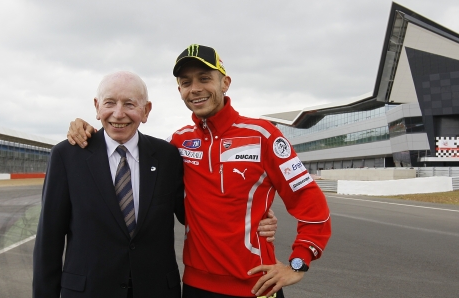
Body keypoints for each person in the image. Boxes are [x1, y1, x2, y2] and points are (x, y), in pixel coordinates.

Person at [68, 44, 331, 298]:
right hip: (195, 286)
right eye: (186, 82)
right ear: (179, 89)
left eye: (204, 78)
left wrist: (298, 263)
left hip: (255, 286)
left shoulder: (263, 136)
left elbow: (309, 198)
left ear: (225, 83)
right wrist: (88, 131)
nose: (195, 89)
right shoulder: (177, 144)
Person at [34, 71, 276, 298]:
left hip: (157, 291)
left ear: (146, 110)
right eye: (109, 103)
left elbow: (193, 212)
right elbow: (49, 242)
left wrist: (252, 215)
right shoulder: (67, 156)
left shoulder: (168, 156)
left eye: (130, 104)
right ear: (97, 107)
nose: (119, 114)